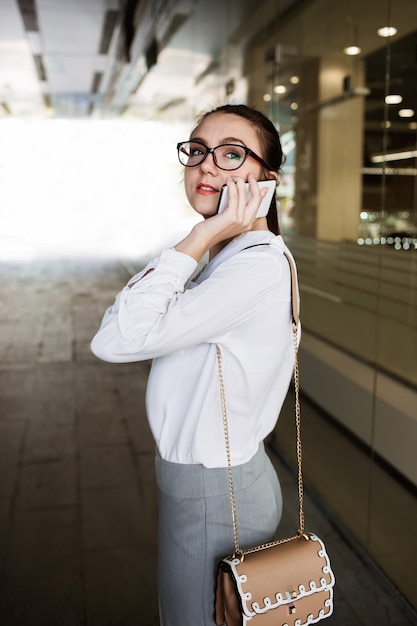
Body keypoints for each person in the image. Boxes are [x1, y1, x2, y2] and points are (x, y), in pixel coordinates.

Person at [90, 103, 300, 626]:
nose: (207, 165)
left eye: (232, 154)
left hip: (215, 492)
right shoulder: (235, 258)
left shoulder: (251, 268)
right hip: (218, 483)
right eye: (198, 150)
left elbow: (115, 338)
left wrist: (200, 235)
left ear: (266, 180)